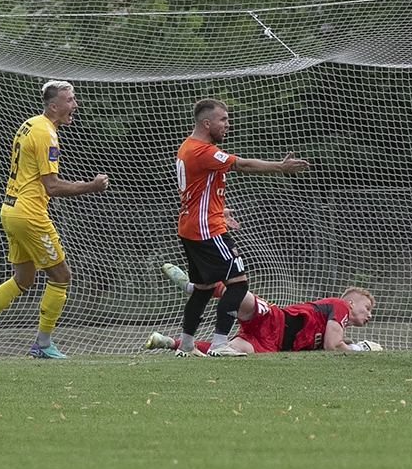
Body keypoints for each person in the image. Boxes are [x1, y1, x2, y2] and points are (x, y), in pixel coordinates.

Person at [0, 80, 109, 360]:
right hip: (29, 214)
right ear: (53, 106)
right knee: (61, 276)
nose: (75, 105)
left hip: (10, 209)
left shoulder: (30, 123)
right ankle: (42, 344)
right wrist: (91, 186)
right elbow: (52, 187)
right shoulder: (46, 134)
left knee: (24, 278)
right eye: (70, 100)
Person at [168, 98, 309, 358]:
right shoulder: (202, 150)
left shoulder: (187, 147)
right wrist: (280, 166)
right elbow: (241, 165)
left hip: (192, 226)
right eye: (223, 119)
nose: (227, 124)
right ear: (207, 122)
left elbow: (196, 191)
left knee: (204, 288)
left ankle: (186, 345)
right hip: (207, 230)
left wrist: (218, 210)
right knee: (238, 284)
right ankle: (220, 344)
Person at [146, 265, 380, 355]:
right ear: (351, 303)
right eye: (367, 308)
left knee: (226, 352)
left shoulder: (339, 329)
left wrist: (352, 344)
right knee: (238, 292)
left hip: (272, 345)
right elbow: (332, 346)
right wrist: (360, 348)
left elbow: (331, 342)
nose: (369, 315)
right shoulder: (339, 307)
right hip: (275, 320)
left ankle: (168, 342)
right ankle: (193, 286)